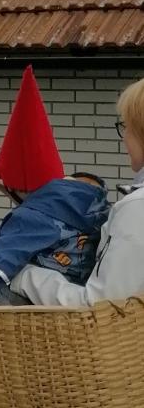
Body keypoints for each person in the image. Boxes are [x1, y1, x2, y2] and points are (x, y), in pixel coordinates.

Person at [0, 67, 107, 316]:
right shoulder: (93, 203)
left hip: (31, 299)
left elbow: (3, 256)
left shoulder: (33, 214)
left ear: (18, 187)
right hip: (75, 298)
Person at [12, 75, 144, 306]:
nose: (124, 137)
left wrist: (25, 276)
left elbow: (103, 306)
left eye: (127, 127)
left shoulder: (137, 207)